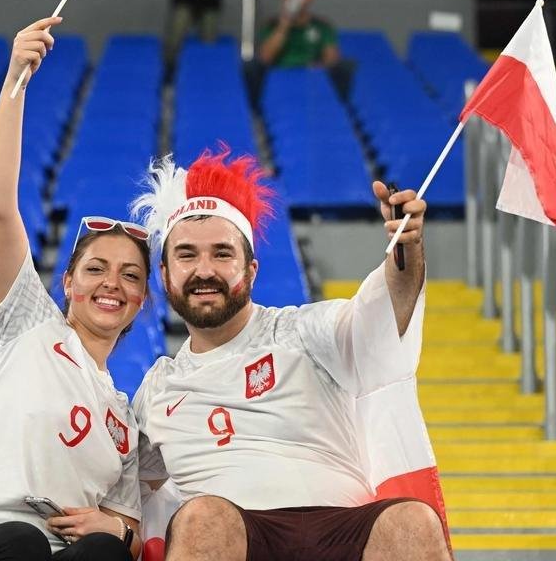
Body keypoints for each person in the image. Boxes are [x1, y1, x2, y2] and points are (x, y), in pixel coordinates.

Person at [129, 150, 451, 561]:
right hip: (233, 536)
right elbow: (119, 483)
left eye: (222, 254)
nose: (204, 270)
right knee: (204, 518)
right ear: (164, 274)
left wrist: (407, 249)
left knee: (412, 521)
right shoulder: (158, 388)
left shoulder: (304, 330)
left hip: (341, 529)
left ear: (251, 270)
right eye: (187, 255)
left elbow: (384, 313)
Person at [0, 17, 144, 561]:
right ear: (67, 282)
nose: (111, 283)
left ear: (141, 302)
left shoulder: (125, 421)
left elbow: (131, 532)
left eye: (130, 275)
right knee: (20, 539)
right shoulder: (27, 323)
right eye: (96, 268)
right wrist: (16, 78)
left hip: (54, 554)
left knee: (105, 553)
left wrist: (118, 530)